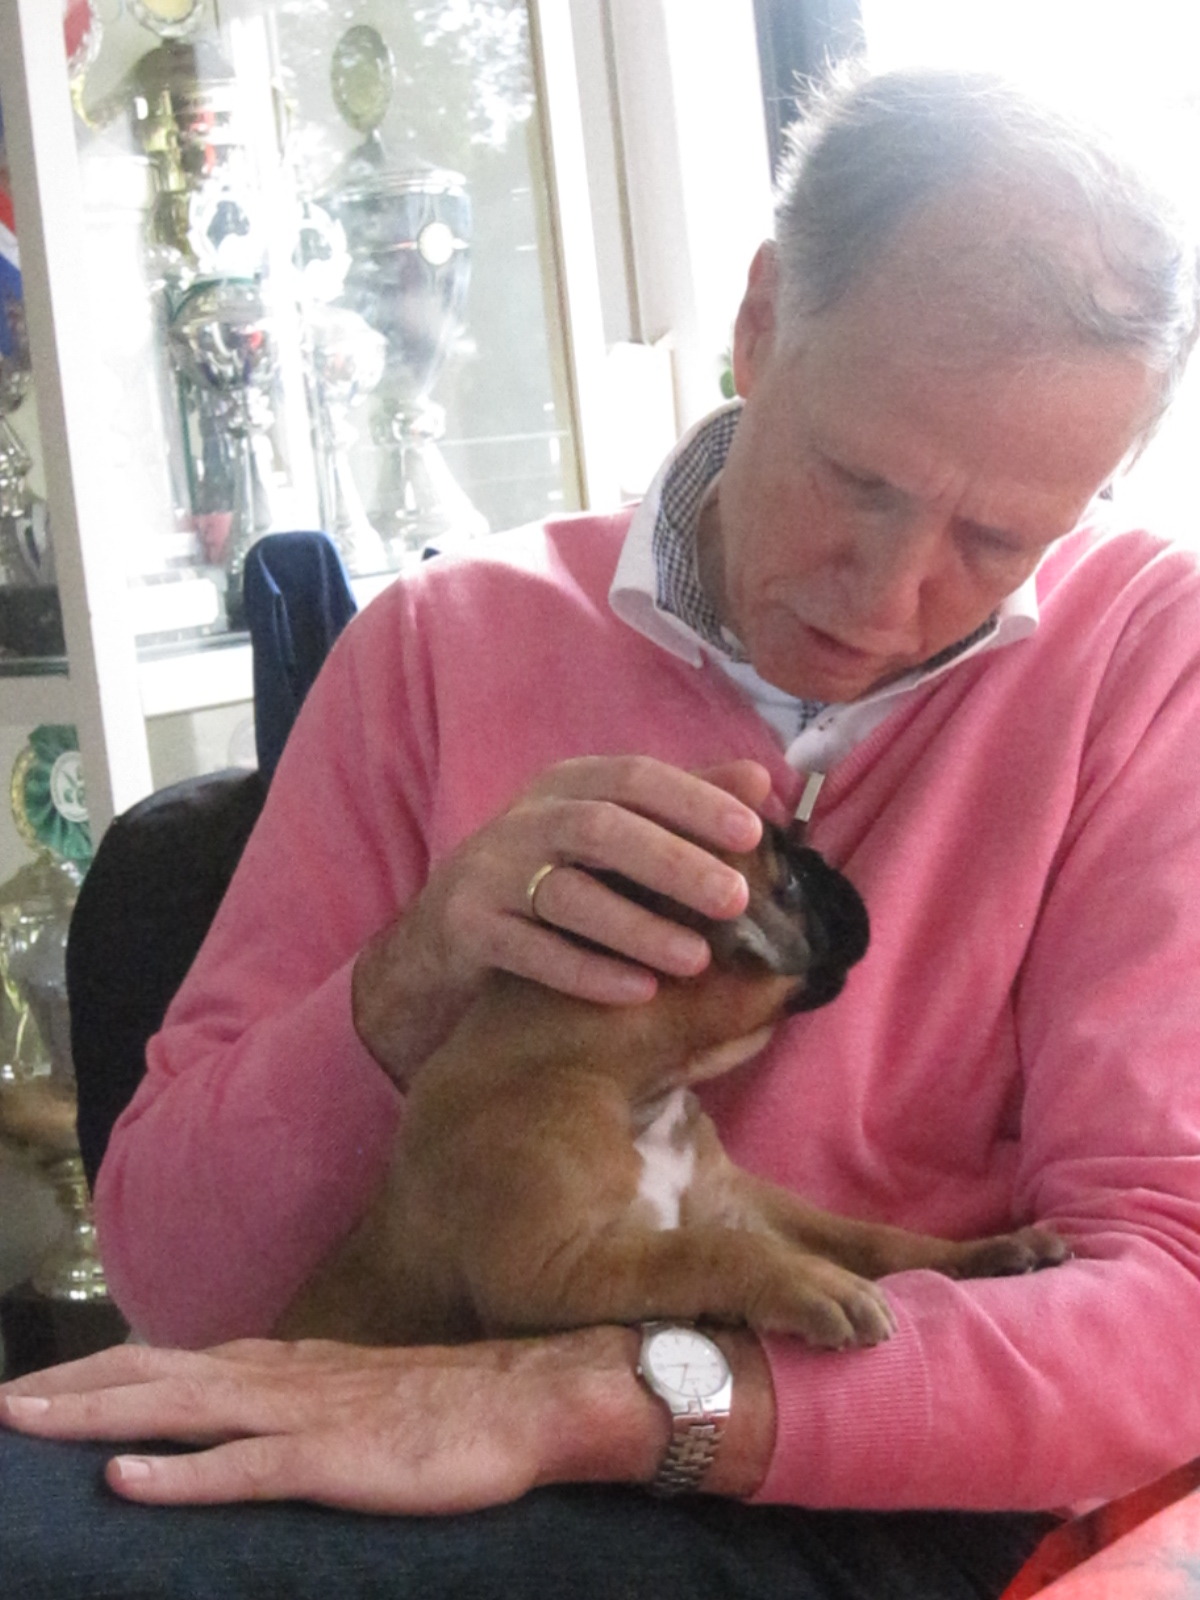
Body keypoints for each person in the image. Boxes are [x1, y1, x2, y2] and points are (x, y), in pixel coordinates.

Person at [5, 64, 1200, 1600]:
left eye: (997, 540)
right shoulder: (440, 644)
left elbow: (1173, 1297)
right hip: (413, 1386)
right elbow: (180, 1288)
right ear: (761, 321)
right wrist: (412, 976)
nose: (892, 597)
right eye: (855, 480)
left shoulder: (1147, 664)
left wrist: (597, 1399)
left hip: (872, 1458)